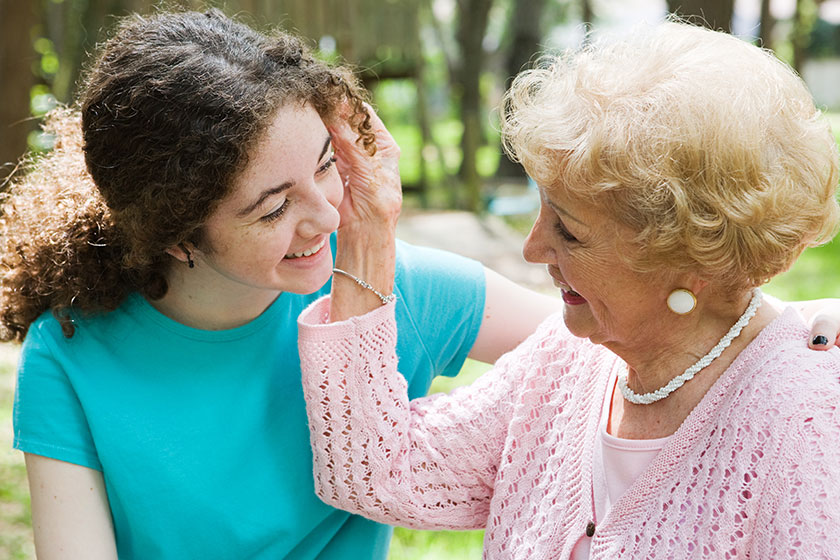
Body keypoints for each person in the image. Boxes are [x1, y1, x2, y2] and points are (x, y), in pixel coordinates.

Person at [1, 9, 560, 559]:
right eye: (274, 209)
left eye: (323, 166)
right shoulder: (70, 352)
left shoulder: (394, 288)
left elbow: (615, 353)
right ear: (176, 236)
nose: (329, 218)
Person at [298, 21, 840, 558]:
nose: (532, 249)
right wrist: (367, 228)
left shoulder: (805, 424)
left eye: (569, 231)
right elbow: (382, 473)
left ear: (691, 258)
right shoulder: (566, 360)